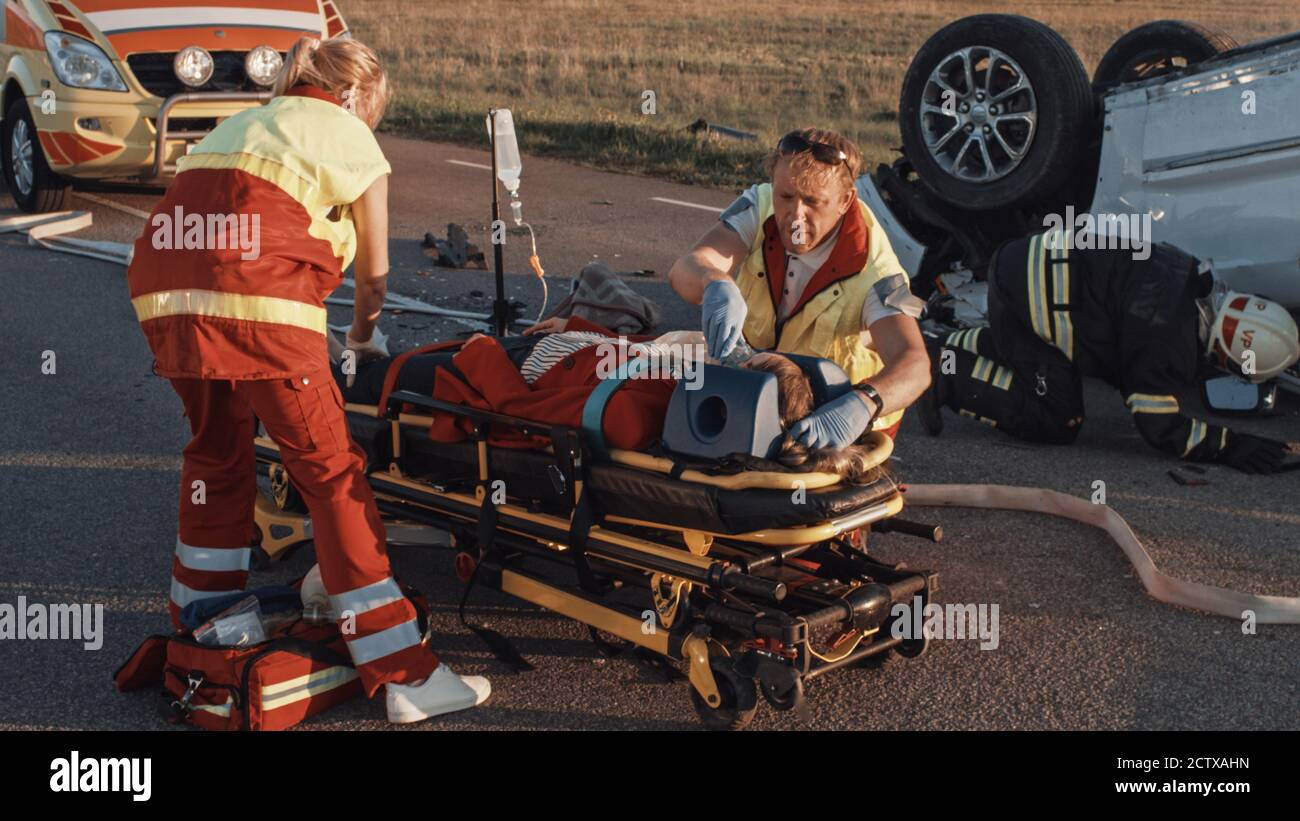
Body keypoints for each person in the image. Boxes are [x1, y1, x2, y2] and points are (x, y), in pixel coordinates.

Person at [125, 36, 488, 724]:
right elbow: (375, 274)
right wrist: (360, 336)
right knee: (330, 470)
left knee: (215, 453)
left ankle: (207, 623)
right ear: (357, 96)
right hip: (256, 300)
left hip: (164, 293)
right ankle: (403, 674)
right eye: (375, 111)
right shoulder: (347, 135)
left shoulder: (240, 124)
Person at [917, 228, 1300, 473]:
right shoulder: (1171, 339)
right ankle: (944, 377)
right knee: (1058, 418)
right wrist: (1228, 445)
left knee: (1033, 355)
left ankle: (939, 349)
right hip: (1027, 302)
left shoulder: (1191, 274)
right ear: (1231, 360)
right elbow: (1157, 424)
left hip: (1021, 265)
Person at [329, 320, 886, 482]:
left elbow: (518, 411)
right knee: (372, 361)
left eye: (743, 361)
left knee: (364, 376)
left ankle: (304, 353)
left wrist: (480, 354)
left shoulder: (634, 415)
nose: (733, 354)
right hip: (544, 344)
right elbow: (629, 349)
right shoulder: (690, 372)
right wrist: (575, 326)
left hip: (498, 368)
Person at [667, 127, 931, 450]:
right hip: (759, 392)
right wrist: (714, 282)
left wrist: (864, 403)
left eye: (813, 201)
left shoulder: (874, 268)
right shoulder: (761, 206)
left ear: (846, 201)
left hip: (840, 424)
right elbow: (685, 268)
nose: (795, 215)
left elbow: (915, 365)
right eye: (787, 197)